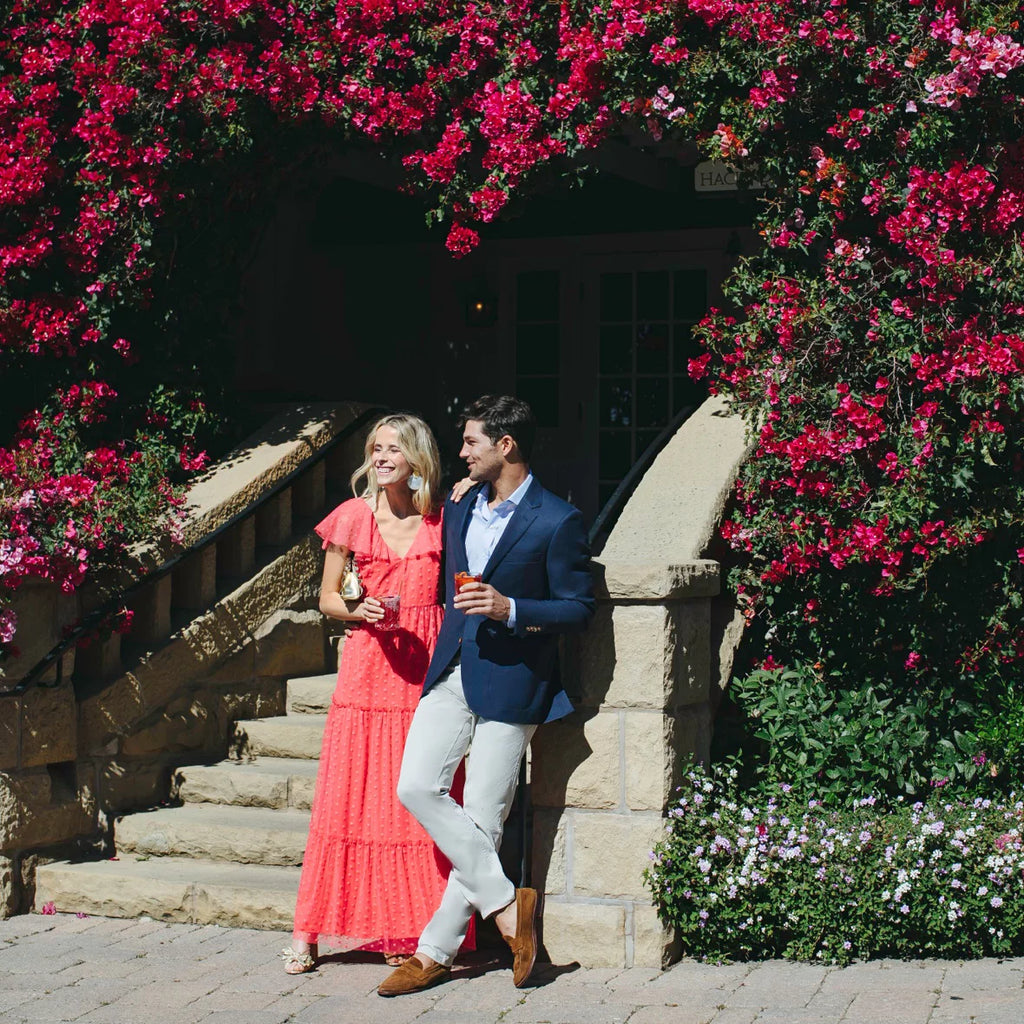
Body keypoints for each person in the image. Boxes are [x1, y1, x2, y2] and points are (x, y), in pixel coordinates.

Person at [378, 394, 595, 997]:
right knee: (415, 785)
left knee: (484, 817)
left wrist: (512, 608)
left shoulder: (557, 520)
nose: (461, 452)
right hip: (453, 668)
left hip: (515, 679)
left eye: (472, 442)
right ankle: (507, 905)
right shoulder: (461, 503)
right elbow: (396, 489)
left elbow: (579, 609)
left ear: (507, 446)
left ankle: (433, 953)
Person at [281, 412, 475, 973]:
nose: (382, 456)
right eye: (376, 447)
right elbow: (327, 599)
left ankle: (409, 925)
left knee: (417, 800)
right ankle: (307, 931)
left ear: (416, 458)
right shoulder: (351, 518)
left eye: (394, 447)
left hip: (425, 668)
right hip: (368, 668)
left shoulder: (443, 519)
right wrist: (356, 607)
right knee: (349, 798)